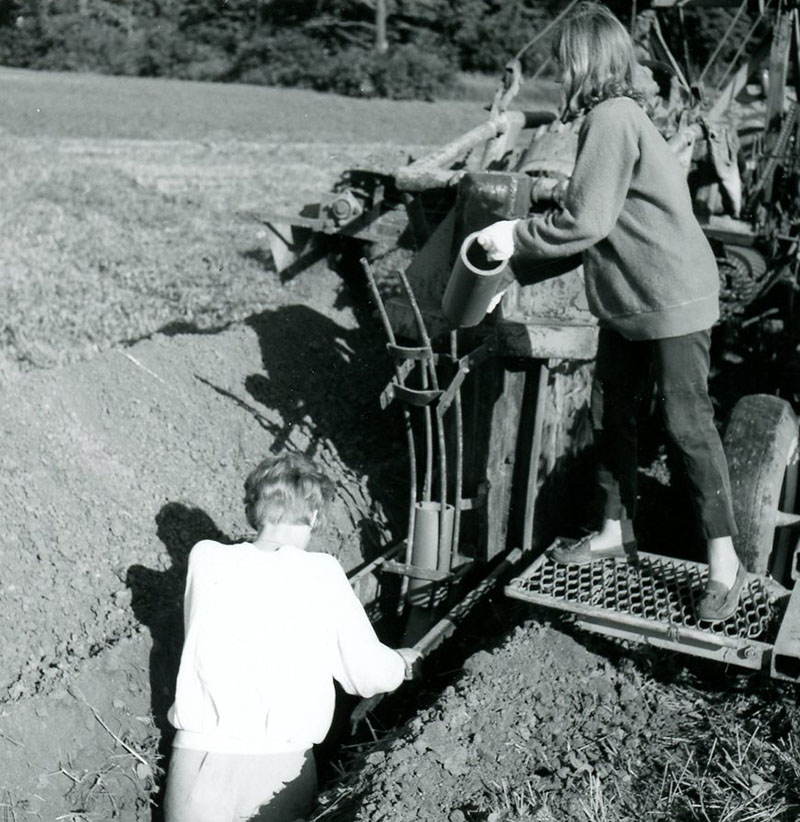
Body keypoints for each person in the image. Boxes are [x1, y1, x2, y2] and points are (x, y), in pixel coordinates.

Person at [475, 2, 743, 622]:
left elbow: (584, 222)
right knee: (610, 412)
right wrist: (511, 272)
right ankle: (614, 530)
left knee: (685, 424)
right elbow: (596, 232)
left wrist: (515, 237)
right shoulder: (613, 118)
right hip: (630, 300)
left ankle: (725, 564)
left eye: (567, 64)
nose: (563, 76)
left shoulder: (614, 118)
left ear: (586, 63)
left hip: (670, 297)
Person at [163, 452, 421, 822]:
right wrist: (402, 663)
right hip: (278, 769)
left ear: (254, 509)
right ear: (315, 515)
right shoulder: (321, 573)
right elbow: (367, 675)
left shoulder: (205, 559)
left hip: (197, 765)